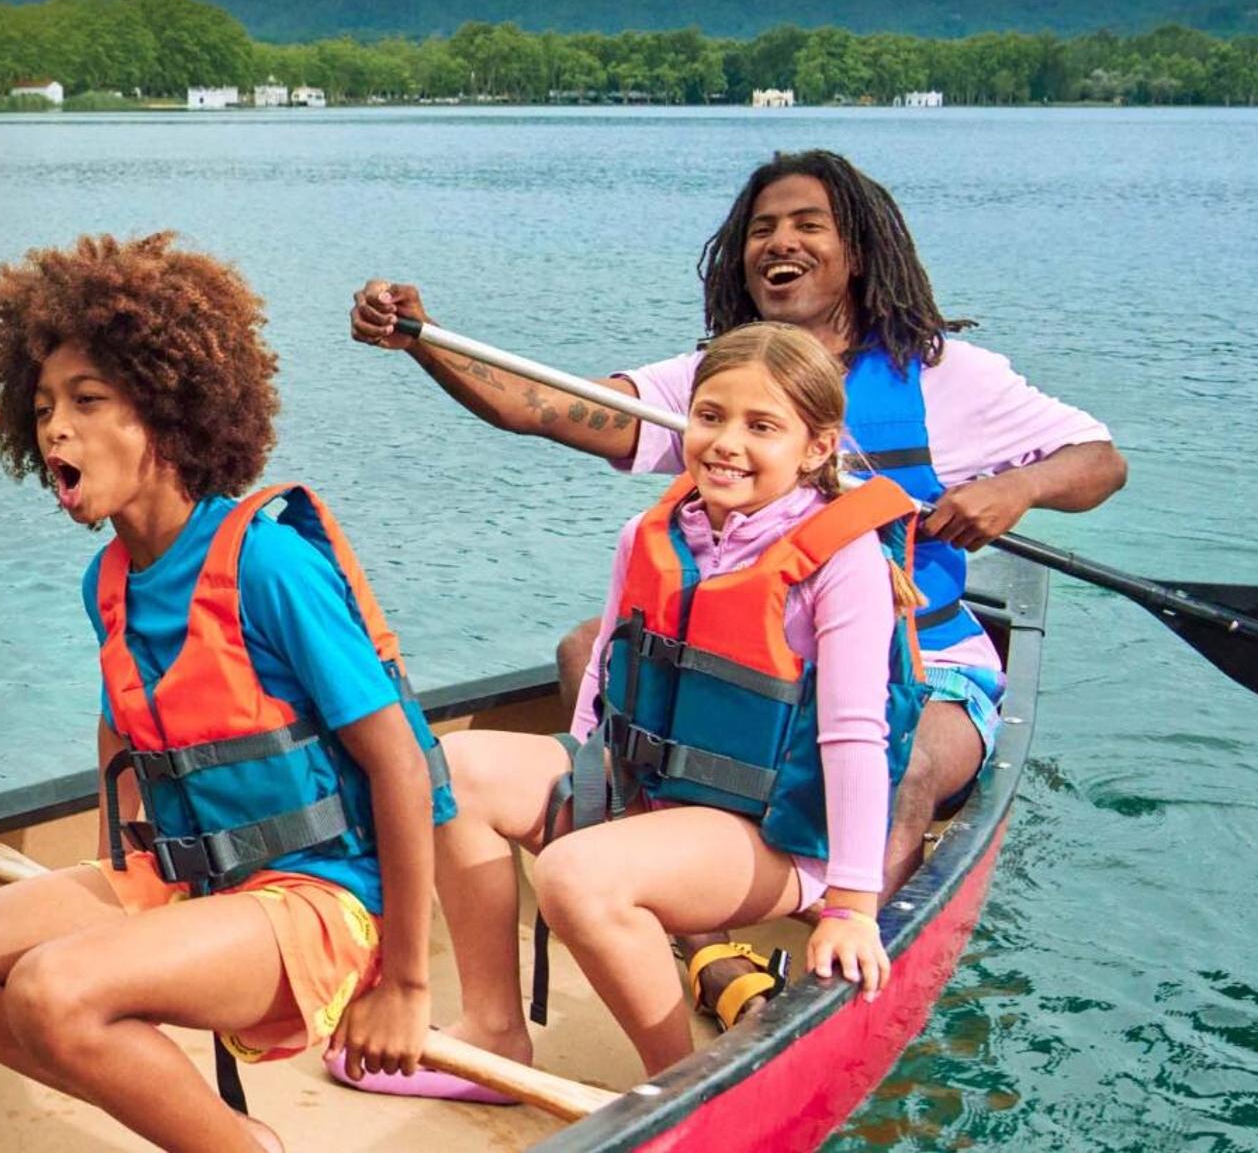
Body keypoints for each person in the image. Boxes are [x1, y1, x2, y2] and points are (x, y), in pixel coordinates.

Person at [348, 149, 1123, 1020]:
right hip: (761, 653)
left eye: (805, 226)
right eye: (761, 229)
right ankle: (700, 938)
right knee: (584, 650)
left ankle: (847, 966)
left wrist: (1014, 489)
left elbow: (1099, 461)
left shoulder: (943, 375)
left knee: (901, 767)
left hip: (925, 655)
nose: (777, 243)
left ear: (857, 251)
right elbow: (538, 407)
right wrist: (423, 339)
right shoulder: (717, 378)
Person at [0, 231, 455, 1152]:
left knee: (54, 989)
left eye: (87, 402)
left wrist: (405, 985)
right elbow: (125, 739)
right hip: (191, 883)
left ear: (165, 412)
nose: (54, 431)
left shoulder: (267, 564)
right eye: (41, 408)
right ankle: (182, 1112)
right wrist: (118, 876)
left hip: (323, 901)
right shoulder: (108, 580)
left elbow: (397, 763)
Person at [420, 322, 920, 1082]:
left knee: (575, 876)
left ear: (817, 448)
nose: (725, 443)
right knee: (449, 767)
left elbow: (855, 736)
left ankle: (681, 1086)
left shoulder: (842, 561)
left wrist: (853, 903)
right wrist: (586, 764)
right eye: (710, 416)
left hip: (767, 834)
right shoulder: (652, 532)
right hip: (645, 790)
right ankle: (492, 1032)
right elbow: (611, 663)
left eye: (762, 427)